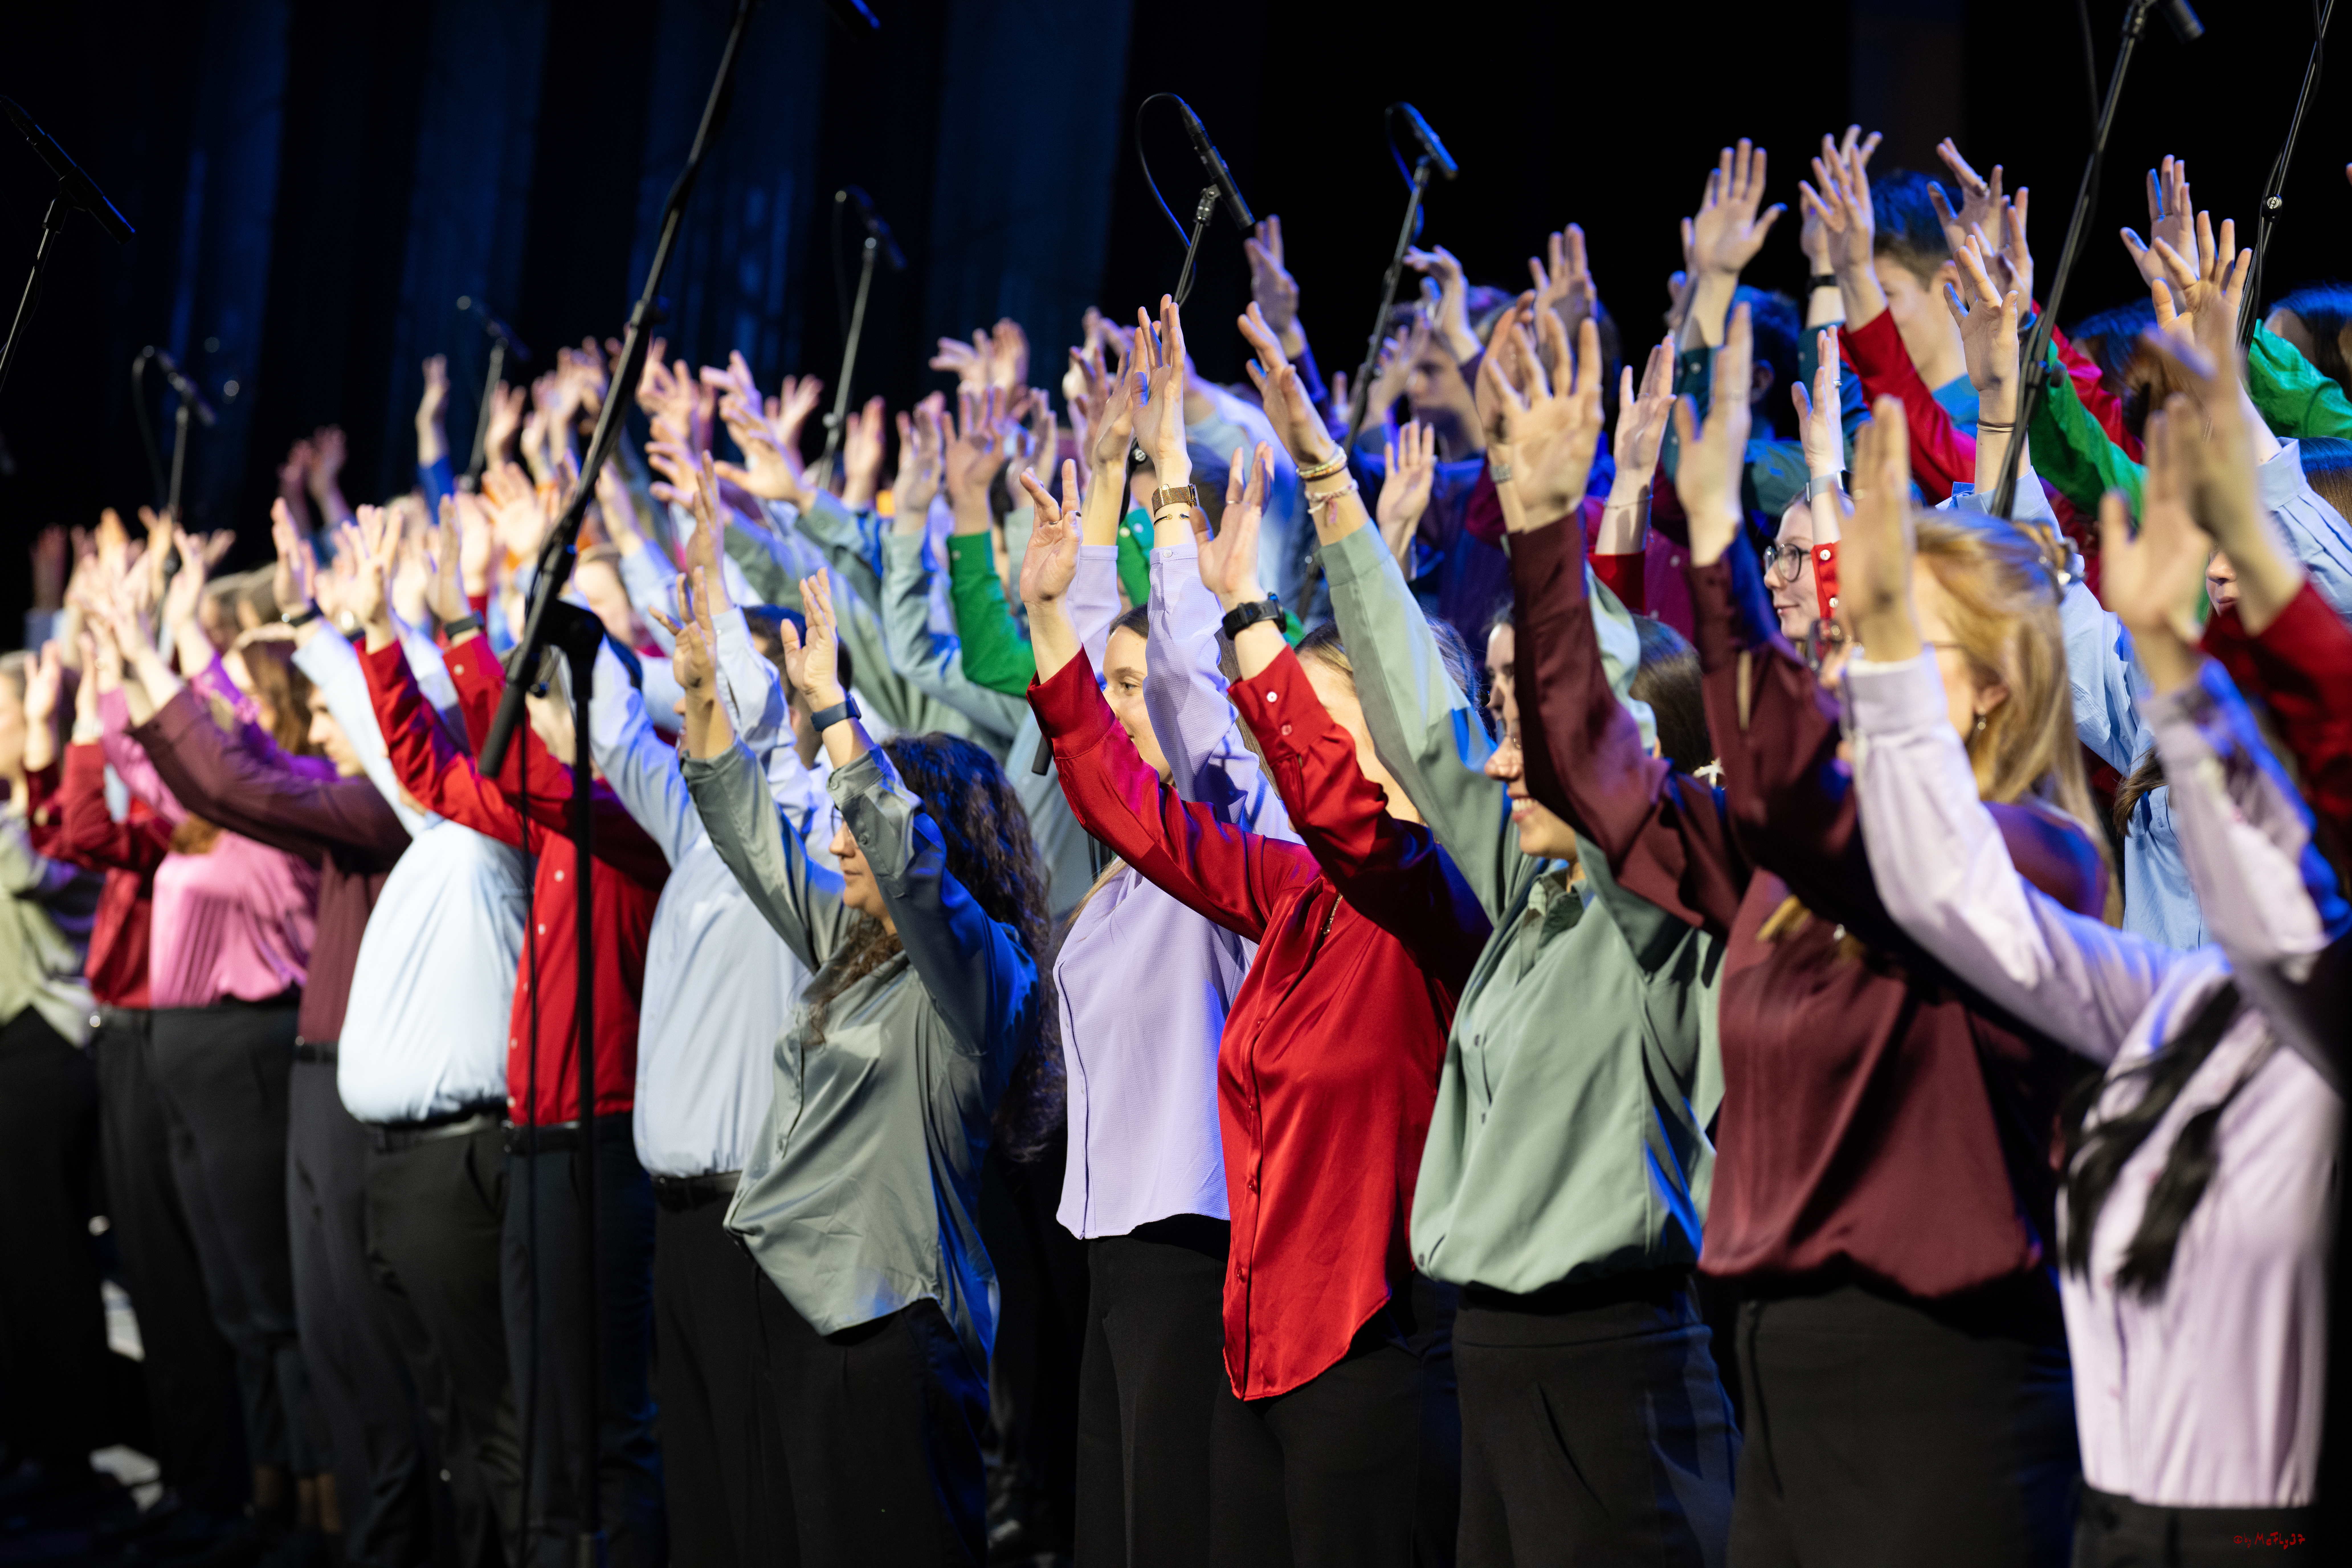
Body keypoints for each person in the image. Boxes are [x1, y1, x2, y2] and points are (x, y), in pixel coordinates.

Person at [1516, 303, 2101, 1565]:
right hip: (1773, 1372)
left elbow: (1806, 802)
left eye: (1901, 642)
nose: (1855, 664)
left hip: (1938, 1388)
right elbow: (1596, 772)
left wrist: (1720, 547)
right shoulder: (1795, 866)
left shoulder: (2032, 858)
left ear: (1997, 684)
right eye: (1856, 635)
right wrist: (1542, 527)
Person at [1841, 328, 2341, 1561]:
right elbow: (1952, 894)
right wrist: (1889, 643)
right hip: (2111, 1519)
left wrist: (2175, 656)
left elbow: (2268, 884)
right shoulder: (2160, 1003)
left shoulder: (2320, 1023)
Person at [1287, 287, 1741, 1564]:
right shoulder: (1531, 894)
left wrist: (1551, 523)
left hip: (1611, 1371)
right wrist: (1333, 490)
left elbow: (1586, 720)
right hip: (1490, 1355)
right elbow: (1427, 730)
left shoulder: (1652, 908)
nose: (1496, 764)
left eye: (1530, 739)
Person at [1029, 296, 1482, 1566]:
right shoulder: (1295, 893)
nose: (1298, 748)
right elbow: (1137, 809)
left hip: (1374, 1351)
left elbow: (1321, 793)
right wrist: (1054, 635)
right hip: (1261, 1348)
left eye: (1327, 729)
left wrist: (1240, 620)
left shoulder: (1434, 903)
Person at [672, 559, 1051, 1565]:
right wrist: (706, 701)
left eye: (859, 821)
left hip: (890, 1337)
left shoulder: (984, 980)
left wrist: (838, 712)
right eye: (842, 820)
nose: (841, 841)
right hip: (795, 1317)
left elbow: (911, 869)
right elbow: (751, 835)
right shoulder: (854, 951)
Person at [113, 527, 446, 1567]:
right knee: (315, 1337)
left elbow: (245, 778)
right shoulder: (346, 796)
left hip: (344, 1094)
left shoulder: (389, 809)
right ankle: (323, 1528)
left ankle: (361, 1540)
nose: (327, 713)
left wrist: (157, 645)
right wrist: (142, 648)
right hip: (309, 1083)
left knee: (351, 1350)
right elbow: (237, 766)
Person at [357, 481, 670, 1568]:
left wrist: (460, 630)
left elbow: (523, 765)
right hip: (535, 1146)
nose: (528, 708)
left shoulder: (629, 813)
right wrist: (380, 639)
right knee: (544, 1420)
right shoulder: (550, 808)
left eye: (549, 689)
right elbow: (436, 769)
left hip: (601, 1145)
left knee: (603, 1430)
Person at [271, 504, 533, 1568]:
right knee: (445, 1422)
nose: (401, 759)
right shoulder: (440, 831)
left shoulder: (489, 829)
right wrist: (344, 623)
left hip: (461, 1162)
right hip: (401, 1171)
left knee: (493, 1423)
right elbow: (393, 744)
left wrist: (397, 624)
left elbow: (400, 744)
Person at [587, 462, 837, 1568]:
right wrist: (570, 604)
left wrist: (710, 569)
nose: (697, 686)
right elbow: (609, 733)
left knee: (757, 1491)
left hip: (762, 1217)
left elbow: (726, 694)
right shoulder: (697, 819)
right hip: (678, 1216)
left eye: (721, 673)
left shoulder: (815, 824)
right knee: (697, 1482)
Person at [0, 646, 108, 1506]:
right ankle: (31, 1441)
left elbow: (50, 880)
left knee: (49, 1259)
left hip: (46, 1046)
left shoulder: (56, 807)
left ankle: (68, 1455)